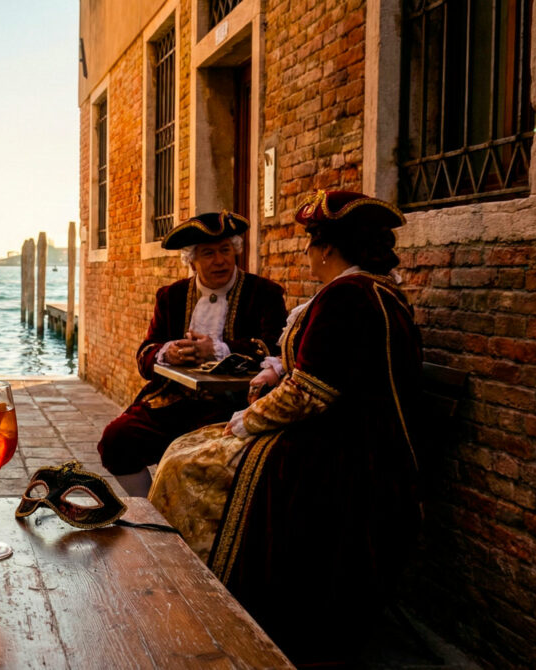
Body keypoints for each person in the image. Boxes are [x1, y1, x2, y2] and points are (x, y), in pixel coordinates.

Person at [149, 189, 425, 665]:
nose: (307, 255)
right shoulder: (372, 291)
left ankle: (204, 592)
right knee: (178, 446)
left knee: (187, 462)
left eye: (310, 245)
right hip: (347, 434)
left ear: (327, 250)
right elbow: (327, 370)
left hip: (342, 452)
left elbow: (311, 393)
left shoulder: (347, 298)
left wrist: (244, 421)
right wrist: (278, 370)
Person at [96, 211, 287, 496]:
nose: (220, 260)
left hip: (234, 405)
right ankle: (152, 509)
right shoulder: (171, 296)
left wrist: (219, 350)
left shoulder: (264, 293)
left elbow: (274, 347)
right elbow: (145, 354)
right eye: (209, 253)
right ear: (192, 260)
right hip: (172, 402)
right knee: (116, 440)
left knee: (189, 460)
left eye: (225, 250)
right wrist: (167, 352)